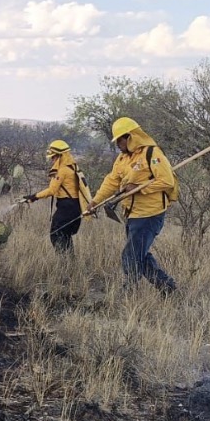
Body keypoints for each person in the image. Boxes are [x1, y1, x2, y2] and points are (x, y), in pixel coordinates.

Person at [86, 117, 179, 294]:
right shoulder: (122, 159)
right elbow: (111, 181)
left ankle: (129, 291)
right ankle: (167, 287)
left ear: (130, 136)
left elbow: (167, 181)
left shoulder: (153, 154)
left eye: (119, 139)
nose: (118, 144)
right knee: (139, 254)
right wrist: (95, 201)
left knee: (130, 254)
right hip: (132, 214)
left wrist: (139, 189)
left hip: (150, 215)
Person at [19, 140, 89, 253]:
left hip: (67, 207)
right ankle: (69, 262)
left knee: (56, 234)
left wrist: (34, 196)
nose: (52, 160)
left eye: (54, 157)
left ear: (60, 156)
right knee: (65, 235)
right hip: (75, 207)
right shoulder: (73, 167)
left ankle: (63, 261)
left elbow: (52, 190)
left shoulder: (62, 171)